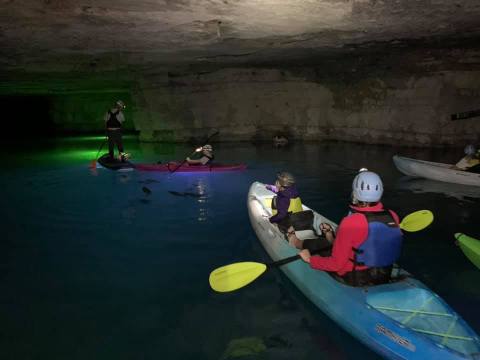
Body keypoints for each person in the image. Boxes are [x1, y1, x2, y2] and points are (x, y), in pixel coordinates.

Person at [289, 169, 403, 286]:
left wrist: (310, 260)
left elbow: (336, 264)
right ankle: (326, 235)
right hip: (384, 273)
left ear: (355, 193)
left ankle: (295, 241)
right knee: (330, 244)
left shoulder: (351, 222)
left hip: (355, 277)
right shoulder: (392, 216)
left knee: (318, 244)